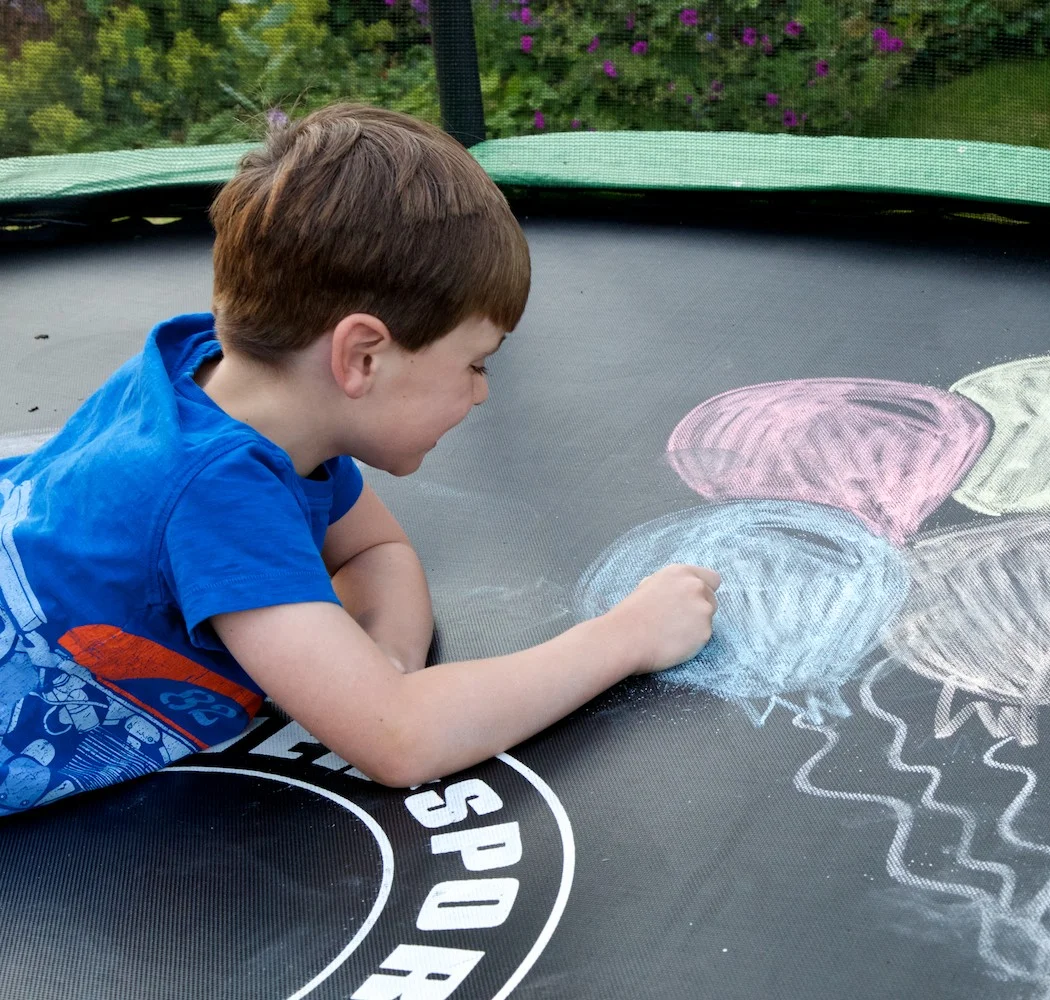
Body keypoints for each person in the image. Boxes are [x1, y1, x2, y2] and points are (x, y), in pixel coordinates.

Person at [0, 103, 720, 814]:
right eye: (476, 364)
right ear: (362, 357)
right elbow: (400, 741)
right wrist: (624, 637)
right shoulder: (217, 493)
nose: (479, 394)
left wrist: (385, 665)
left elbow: (375, 547)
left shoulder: (233, 392)